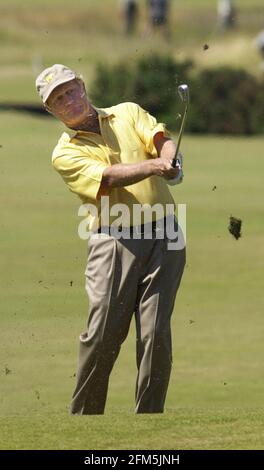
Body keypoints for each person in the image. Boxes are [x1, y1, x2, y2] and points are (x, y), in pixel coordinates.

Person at [35, 63, 186, 415]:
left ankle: (150, 418)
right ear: (51, 110)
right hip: (114, 239)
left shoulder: (127, 112)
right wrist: (154, 167)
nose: (68, 100)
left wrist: (170, 160)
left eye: (70, 90)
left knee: (155, 335)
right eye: (58, 99)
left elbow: (161, 140)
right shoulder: (65, 152)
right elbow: (110, 177)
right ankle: (86, 420)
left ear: (83, 86)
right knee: (102, 334)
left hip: (166, 234)